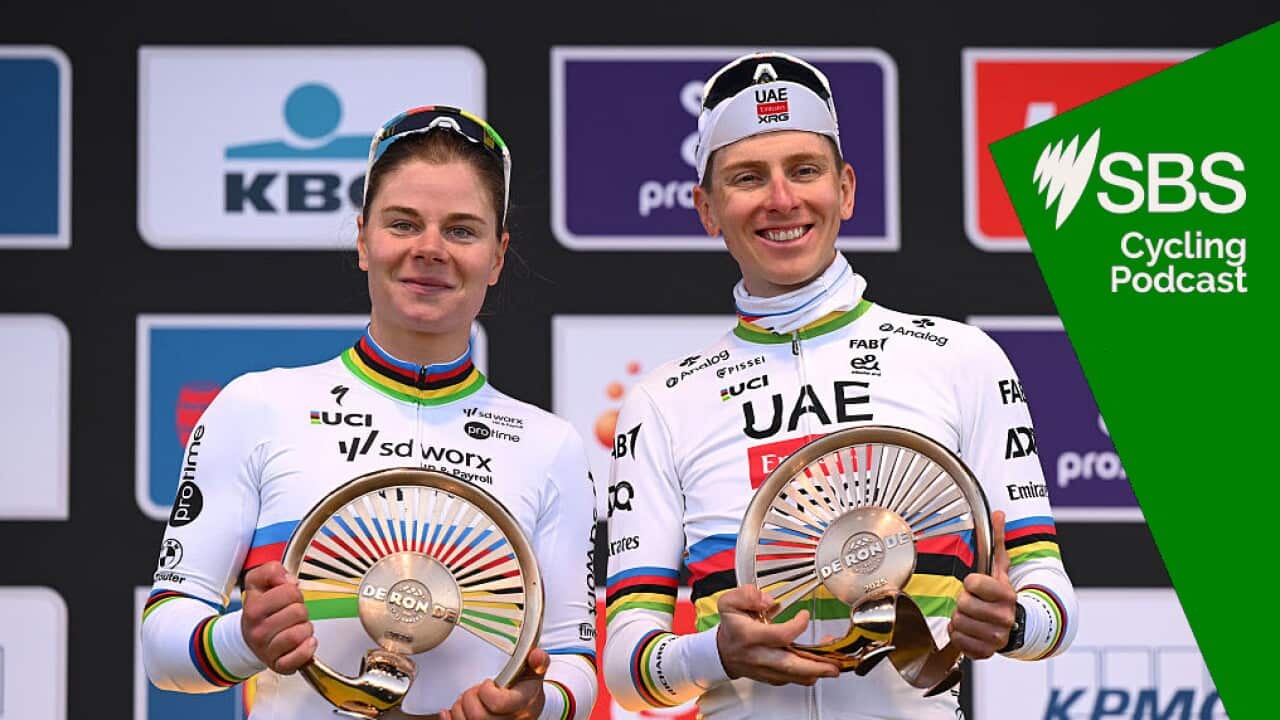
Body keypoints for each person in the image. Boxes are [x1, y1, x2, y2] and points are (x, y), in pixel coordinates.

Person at [602, 52, 1078, 719]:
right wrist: (714, 653)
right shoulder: (664, 402)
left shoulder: (961, 358)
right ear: (707, 209)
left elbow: (1050, 595)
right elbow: (627, 664)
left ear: (846, 189)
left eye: (804, 170)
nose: (781, 199)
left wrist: (1014, 623)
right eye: (747, 178)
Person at [142, 105, 599, 720]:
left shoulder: (551, 446)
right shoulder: (256, 408)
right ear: (363, 240)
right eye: (403, 224)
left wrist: (534, 703)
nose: (430, 249)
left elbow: (574, 660)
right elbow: (162, 646)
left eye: (462, 230)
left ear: (496, 256)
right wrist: (243, 639)